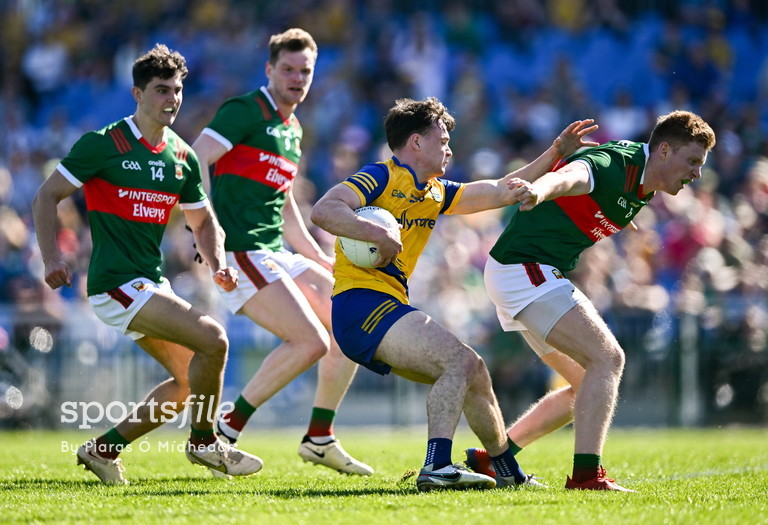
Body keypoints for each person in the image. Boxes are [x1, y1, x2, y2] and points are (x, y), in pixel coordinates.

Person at [310, 96, 598, 491]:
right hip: (361, 303)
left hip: (385, 304)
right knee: (458, 362)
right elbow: (324, 210)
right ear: (415, 142)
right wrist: (378, 232)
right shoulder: (379, 175)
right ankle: (436, 466)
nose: (449, 149)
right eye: (442, 140)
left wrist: (555, 153)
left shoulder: (435, 191)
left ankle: (506, 472)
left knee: (475, 372)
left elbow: (501, 191)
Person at [32, 44, 263, 484]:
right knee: (214, 340)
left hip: (148, 283)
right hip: (115, 283)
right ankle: (204, 443)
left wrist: (217, 263)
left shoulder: (182, 155)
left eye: (177, 90)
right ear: (137, 94)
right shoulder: (104, 144)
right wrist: (51, 258)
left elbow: (203, 218)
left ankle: (102, 451)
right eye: (161, 90)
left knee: (187, 384)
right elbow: (45, 196)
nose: (172, 99)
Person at [463, 110, 716, 491]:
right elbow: (573, 175)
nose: (696, 173)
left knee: (587, 384)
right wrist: (539, 189)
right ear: (664, 150)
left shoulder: (646, 179)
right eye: (692, 161)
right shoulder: (616, 164)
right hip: (524, 267)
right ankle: (586, 476)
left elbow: (600, 194)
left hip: (523, 271)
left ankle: (492, 459)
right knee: (608, 359)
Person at [191, 28, 371, 476]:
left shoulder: (292, 128)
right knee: (310, 342)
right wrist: (205, 229)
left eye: (304, 71)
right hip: (242, 251)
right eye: (287, 69)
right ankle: (223, 435)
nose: (296, 78)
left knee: (350, 320)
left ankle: (319, 437)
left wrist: (317, 256)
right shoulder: (245, 110)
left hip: (274, 250)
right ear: (269, 70)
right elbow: (194, 160)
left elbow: (286, 202)